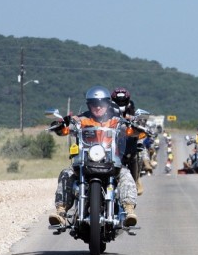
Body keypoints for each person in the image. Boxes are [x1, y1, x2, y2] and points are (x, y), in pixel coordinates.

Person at [48, 85, 139, 227]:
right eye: (94, 104)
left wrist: (134, 127)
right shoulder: (82, 120)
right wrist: (61, 125)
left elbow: (129, 130)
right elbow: (66, 129)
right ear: (89, 105)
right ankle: (61, 212)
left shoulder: (116, 120)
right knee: (66, 173)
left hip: (111, 161)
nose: (98, 107)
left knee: (126, 175)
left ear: (108, 104)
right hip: (84, 161)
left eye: (101, 104)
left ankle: (129, 210)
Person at [111, 87, 144, 195]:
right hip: (111, 136)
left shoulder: (131, 106)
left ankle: (135, 181)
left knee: (134, 155)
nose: (120, 102)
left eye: (123, 100)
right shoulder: (109, 107)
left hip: (127, 136)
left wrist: (135, 121)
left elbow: (135, 118)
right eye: (118, 100)